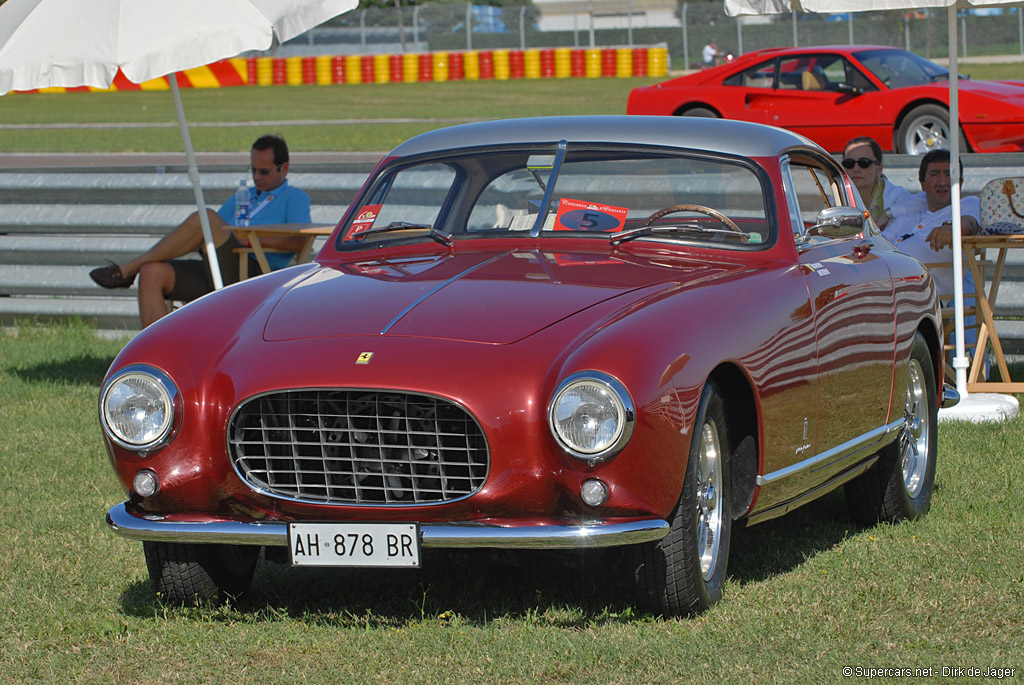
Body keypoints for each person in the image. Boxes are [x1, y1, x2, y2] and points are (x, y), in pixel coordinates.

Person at [89, 134, 311, 328]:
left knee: (205, 218)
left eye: (264, 171)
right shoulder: (245, 194)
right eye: (253, 170)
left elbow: (299, 242)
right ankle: (157, 357)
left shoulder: (294, 197)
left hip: (255, 272)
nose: (257, 177)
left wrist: (253, 242)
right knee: (151, 272)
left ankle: (128, 269)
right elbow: (212, 231)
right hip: (219, 268)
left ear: (284, 168)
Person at [882, 149, 980, 300]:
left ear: (960, 183)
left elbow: (970, 224)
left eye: (949, 174)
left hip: (925, 297)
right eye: (935, 174)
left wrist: (951, 227)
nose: (942, 181)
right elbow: (879, 245)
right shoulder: (908, 219)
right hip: (887, 289)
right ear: (922, 184)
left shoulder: (966, 205)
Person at [842, 136, 924, 229]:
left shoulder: (896, 196)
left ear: (879, 169)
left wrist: (888, 213)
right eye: (849, 163)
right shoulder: (836, 200)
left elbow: (927, 202)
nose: (856, 169)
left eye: (864, 163)